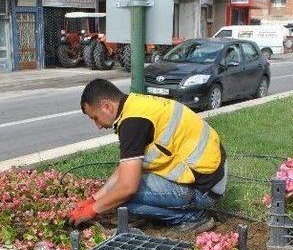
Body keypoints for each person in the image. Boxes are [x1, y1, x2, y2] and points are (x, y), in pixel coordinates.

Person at [71, 79, 227, 232]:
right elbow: (123, 171)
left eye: (95, 118)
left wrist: (93, 210)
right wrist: (93, 200)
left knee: (124, 201)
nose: (98, 126)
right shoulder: (136, 106)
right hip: (212, 177)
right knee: (120, 191)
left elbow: (126, 187)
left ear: (106, 106)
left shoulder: (132, 123)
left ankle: (192, 217)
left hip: (204, 190)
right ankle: (182, 209)